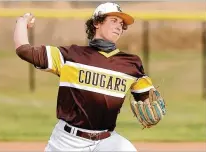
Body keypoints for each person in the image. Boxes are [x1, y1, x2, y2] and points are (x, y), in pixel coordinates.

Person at [14, 2, 165, 151]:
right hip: (67, 141)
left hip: (106, 140)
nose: (119, 26)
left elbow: (147, 97)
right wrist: (21, 22)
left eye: (121, 24)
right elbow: (24, 50)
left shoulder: (131, 64)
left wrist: (150, 105)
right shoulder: (71, 56)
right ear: (97, 23)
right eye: (113, 20)